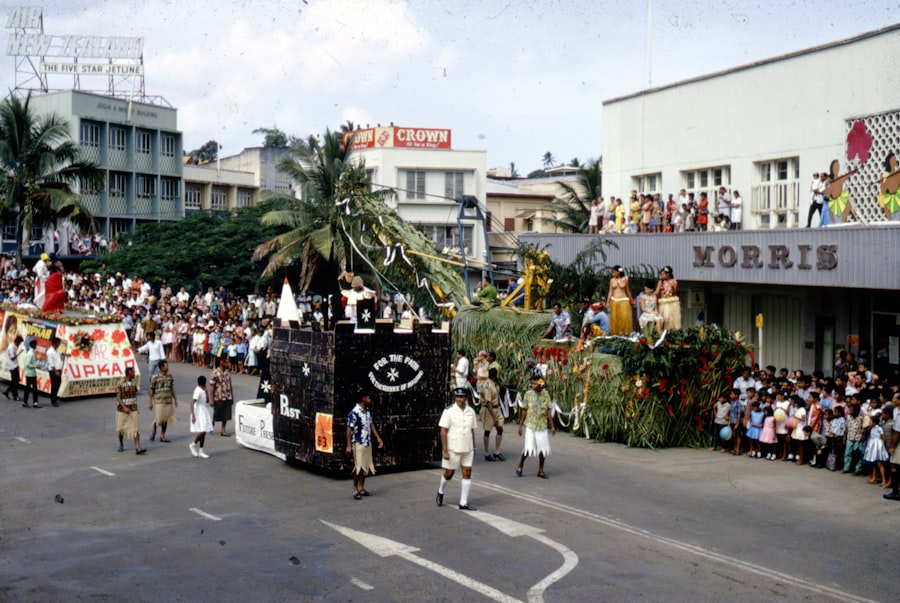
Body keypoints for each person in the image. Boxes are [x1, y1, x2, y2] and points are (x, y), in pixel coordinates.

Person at [436, 387, 477, 511]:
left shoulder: (471, 411)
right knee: (449, 473)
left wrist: (474, 446)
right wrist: (445, 450)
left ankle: (463, 502)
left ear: (466, 398)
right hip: (453, 447)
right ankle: (440, 490)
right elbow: (443, 431)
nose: (459, 399)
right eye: (457, 397)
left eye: (462, 397)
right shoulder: (449, 411)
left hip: (467, 447)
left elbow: (471, 430)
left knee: (467, 472)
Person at [516, 369, 555, 478]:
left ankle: (540, 471)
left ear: (540, 383)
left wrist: (552, 426)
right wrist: (520, 426)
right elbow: (524, 410)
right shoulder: (528, 394)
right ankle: (520, 465)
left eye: (535, 383)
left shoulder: (546, 395)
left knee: (542, 449)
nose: (533, 385)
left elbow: (548, 410)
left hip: (542, 425)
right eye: (532, 383)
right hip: (530, 425)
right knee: (528, 448)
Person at [346, 394, 384, 500]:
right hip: (358, 442)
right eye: (368, 398)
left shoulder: (367, 411)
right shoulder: (354, 412)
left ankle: (361, 488)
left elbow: (371, 425)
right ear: (363, 399)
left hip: (367, 442)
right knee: (358, 466)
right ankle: (355, 488)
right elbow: (349, 429)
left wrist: (378, 438)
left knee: (365, 466)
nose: (370, 400)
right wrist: (349, 445)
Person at [116, 366, 146, 454]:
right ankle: (121, 444)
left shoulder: (133, 383)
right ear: (129, 373)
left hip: (133, 408)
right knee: (120, 428)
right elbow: (118, 397)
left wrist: (137, 408)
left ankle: (138, 448)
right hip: (122, 409)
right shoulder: (120, 383)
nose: (134, 373)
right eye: (133, 372)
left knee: (135, 429)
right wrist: (124, 407)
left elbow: (134, 395)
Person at [149, 360, 178, 443]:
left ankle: (162, 435)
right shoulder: (155, 378)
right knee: (159, 418)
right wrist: (150, 402)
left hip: (168, 400)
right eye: (166, 366)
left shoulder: (170, 377)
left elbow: (172, 388)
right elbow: (151, 390)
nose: (167, 368)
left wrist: (175, 399)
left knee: (165, 419)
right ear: (161, 367)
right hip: (159, 400)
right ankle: (154, 430)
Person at [480, 368, 505, 462]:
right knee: (487, 430)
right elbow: (488, 402)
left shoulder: (495, 384)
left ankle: (497, 451)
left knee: (500, 428)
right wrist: (494, 416)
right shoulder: (487, 385)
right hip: (489, 409)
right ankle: (487, 453)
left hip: (497, 408)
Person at [606, 266, 634, 336]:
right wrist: (608, 302)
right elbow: (610, 292)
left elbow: (628, 291)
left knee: (623, 318)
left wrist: (632, 300)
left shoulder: (625, 279)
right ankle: (615, 334)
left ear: (618, 272)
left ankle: (624, 334)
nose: (613, 274)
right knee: (615, 319)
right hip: (614, 300)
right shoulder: (612, 280)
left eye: (614, 272)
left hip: (623, 300)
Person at [189, 375, 212, 458]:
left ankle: (201, 450)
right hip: (198, 411)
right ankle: (193, 444)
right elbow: (192, 402)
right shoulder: (198, 391)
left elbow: (207, 401)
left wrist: (206, 392)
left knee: (204, 431)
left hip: (203, 410)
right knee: (202, 430)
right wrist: (193, 415)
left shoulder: (203, 390)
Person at [210, 359, 234, 437]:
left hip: (227, 396)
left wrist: (232, 396)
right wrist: (211, 399)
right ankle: (211, 426)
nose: (228, 364)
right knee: (216, 413)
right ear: (222, 363)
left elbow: (230, 385)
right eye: (227, 362)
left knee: (226, 414)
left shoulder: (228, 373)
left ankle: (223, 430)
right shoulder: (215, 372)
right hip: (218, 396)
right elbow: (212, 386)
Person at [654, 266, 681, 330]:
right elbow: (657, 292)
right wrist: (649, 294)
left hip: (671, 302)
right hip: (664, 302)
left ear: (668, 274)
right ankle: (660, 332)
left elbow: (675, 293)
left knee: (670, 319)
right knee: (663, 318)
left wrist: (673, 288)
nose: (661, 276)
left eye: (662, 274)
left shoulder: (674, 281)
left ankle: (670, 332)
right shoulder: (661, 282)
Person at [46, 336, 63, 407]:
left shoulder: (57, 350)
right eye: (59, 343)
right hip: (54, 371)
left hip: (59, 369)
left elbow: (61, 354)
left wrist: (66, 355)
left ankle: (54, 397)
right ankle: (53, 400)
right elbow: (51, 363)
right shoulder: (50, 352)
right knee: (54, 385)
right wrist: (55, 371)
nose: (59, 344)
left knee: (58, 384)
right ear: (55, 343)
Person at [4, 334, 22, 401]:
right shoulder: (12, 347)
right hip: (12, 366)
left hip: (14, 365)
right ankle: (15, 395)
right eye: (19, 343)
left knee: (16, 381)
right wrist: (19, 353)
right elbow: (12, 357)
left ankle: (8, 391)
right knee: (15, 381)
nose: (19, 345)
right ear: (17, 342)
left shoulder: (14, 347)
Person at [21, 339, 39, 408]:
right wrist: (35, 366)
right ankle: (34, 403)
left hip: (30, 373)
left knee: (29, 388)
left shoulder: (30, 353)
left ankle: (27, 402)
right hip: (30, 374)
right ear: (34, 346)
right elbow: (27, 364)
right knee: (33, 389)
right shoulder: (31, 354)